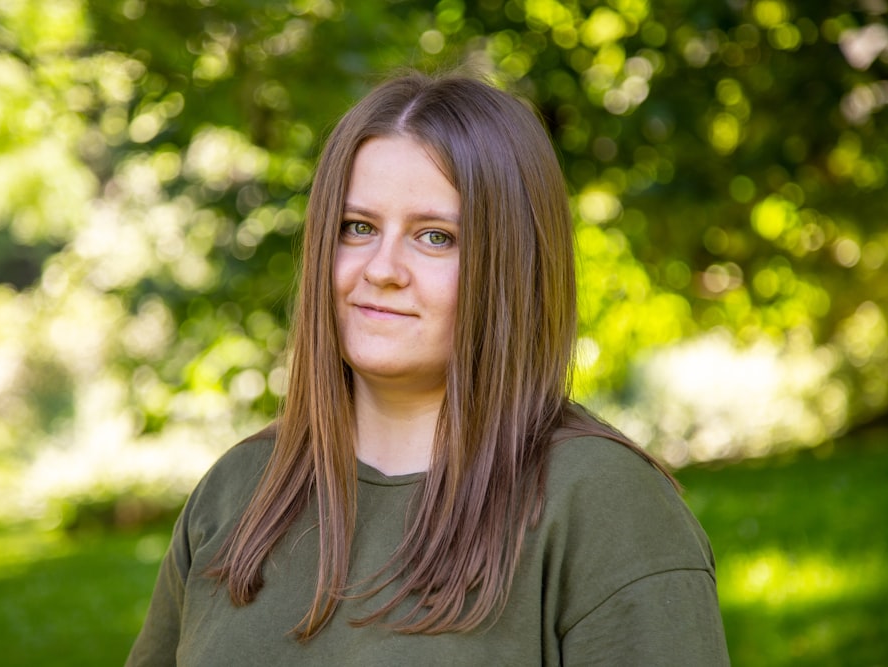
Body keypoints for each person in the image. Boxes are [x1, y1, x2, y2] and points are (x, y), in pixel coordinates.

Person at [126, 71, 729, 665]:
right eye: (357, 228)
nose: (382, 268)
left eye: (435, 237)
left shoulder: (604, 505)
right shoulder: (239, 491)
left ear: (511, 265)